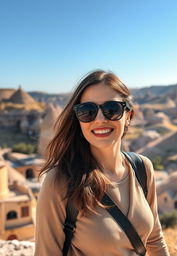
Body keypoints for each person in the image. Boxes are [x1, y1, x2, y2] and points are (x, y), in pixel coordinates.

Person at [34, 70, 170, 256]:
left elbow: (154, 239)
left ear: (128, 115)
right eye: (87, 112)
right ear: (79, 120)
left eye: (111, 109)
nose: (100, 120)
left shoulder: (142, 168)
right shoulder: (60, 181)